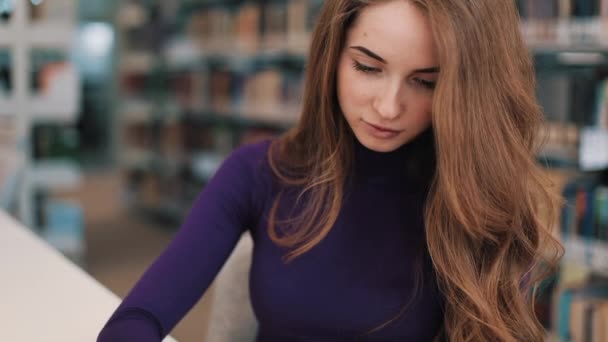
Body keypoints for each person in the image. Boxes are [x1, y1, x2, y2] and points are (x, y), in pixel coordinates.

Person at [98, 0, 563, 341]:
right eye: (367, 67)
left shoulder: (477, 201)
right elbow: (136, 320)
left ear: (464, 92)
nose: (388, 106)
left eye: (425, 82)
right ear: (332, 55)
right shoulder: (258, 173)